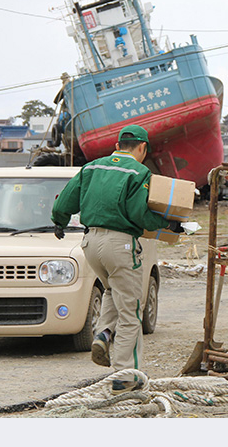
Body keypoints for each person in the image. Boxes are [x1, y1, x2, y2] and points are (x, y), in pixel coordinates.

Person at [51, 124, 183, 394]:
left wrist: (59, 221)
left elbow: (65, 200)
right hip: (120, 245)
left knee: (113, 290)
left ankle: (103, 334)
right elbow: (138, 214)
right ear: (142, 148)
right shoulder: (139, 172)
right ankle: (125, 377)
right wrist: (168, 225)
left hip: (90, 244)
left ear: (117, 145)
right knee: (132, 311)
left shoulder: (92, 167)